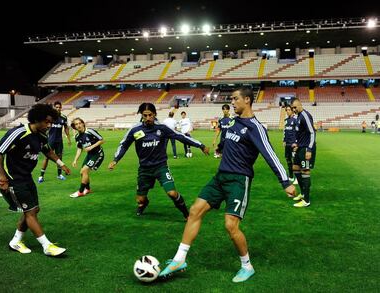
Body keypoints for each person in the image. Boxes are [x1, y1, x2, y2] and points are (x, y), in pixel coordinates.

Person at [159, 87, 296, 282]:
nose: (231, 102)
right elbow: (227, 137)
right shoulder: (233, 121)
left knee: (231, 226)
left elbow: (270, 154)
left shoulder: (255, 127)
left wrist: (285, 182)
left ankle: (247, 266)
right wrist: (221, 147)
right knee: (195, 211)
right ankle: (179, 259)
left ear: (247, 100)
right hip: (220, 177)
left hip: (239, 180)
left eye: (235, 99)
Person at [0, 104, 70, 256]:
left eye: (51, 122)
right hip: (13, 178)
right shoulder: (19, 133)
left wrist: (62, 164)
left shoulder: (41, 136)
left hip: (26, 177)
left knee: (34, 209)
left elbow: (48, 151)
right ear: (37, 119)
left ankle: (16, 241)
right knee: (30, 212)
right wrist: (2, 179)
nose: (49, 125)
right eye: (47, 122)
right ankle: (47, 246)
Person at [108, 103, 209, 218]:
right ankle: (144, 204)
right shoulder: (135, 130)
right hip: (144, 169)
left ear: (154, 114)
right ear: (141, 115)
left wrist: (200, 145)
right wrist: (115, 160)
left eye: (150, 115)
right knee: (140, 199)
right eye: (144, 115)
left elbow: (180, 136)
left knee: (172, 193)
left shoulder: (162, 128)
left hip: (160, 167)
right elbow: (124, 145)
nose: (147, 118)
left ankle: (187, 214)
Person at [291, 98, 316, 208]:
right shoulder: (299, 116)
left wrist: (309, 149)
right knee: (295, 168)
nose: (294, 109)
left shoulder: (305, 115)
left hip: (306, 148)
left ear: (300, 105)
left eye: (295, 107)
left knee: (305, 171)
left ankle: (306, 200)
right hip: (300, 147)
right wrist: (296, 143)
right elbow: (300, 133)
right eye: (293, 108)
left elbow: (312, 132)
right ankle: (302, 193)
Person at [70, 118, 104, 198]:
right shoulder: (77, 136)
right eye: (76, 124)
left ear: (83, 123)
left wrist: (92, 147)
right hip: (89, 155)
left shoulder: (90, 131)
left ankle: (81, 191)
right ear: (74, 126)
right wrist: (75, 160)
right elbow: (79, 148)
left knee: (84, 170)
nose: (78, 125)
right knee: (82, 173)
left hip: (98, 154)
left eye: (79, 123)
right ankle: (88, 189)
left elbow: (102, 140)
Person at [38, 101, 71, 183]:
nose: (58, 108)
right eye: (56, 107)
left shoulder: (63, 117)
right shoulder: (50, 118)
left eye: (59, 107)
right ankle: (41, 176)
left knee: (59, 157)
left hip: (59, 141)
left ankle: (59, 175)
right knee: (47, 157)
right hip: (50, 140)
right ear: (54, 108)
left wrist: (69, 138)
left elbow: (66, 128)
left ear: (61, 108)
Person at [283, 105, 298, 184]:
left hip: (293, 144)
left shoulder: (296, 120)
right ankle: (291, 176)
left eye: (289, 110)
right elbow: (285, 131)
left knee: (295, 161)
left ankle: (297, 178)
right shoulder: (286, 120)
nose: (287, 111)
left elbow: (298, 132)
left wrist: (296, 142)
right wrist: (284, 140)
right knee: (288, 160)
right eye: (287, 110)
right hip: (287, 144)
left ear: (292, 110)